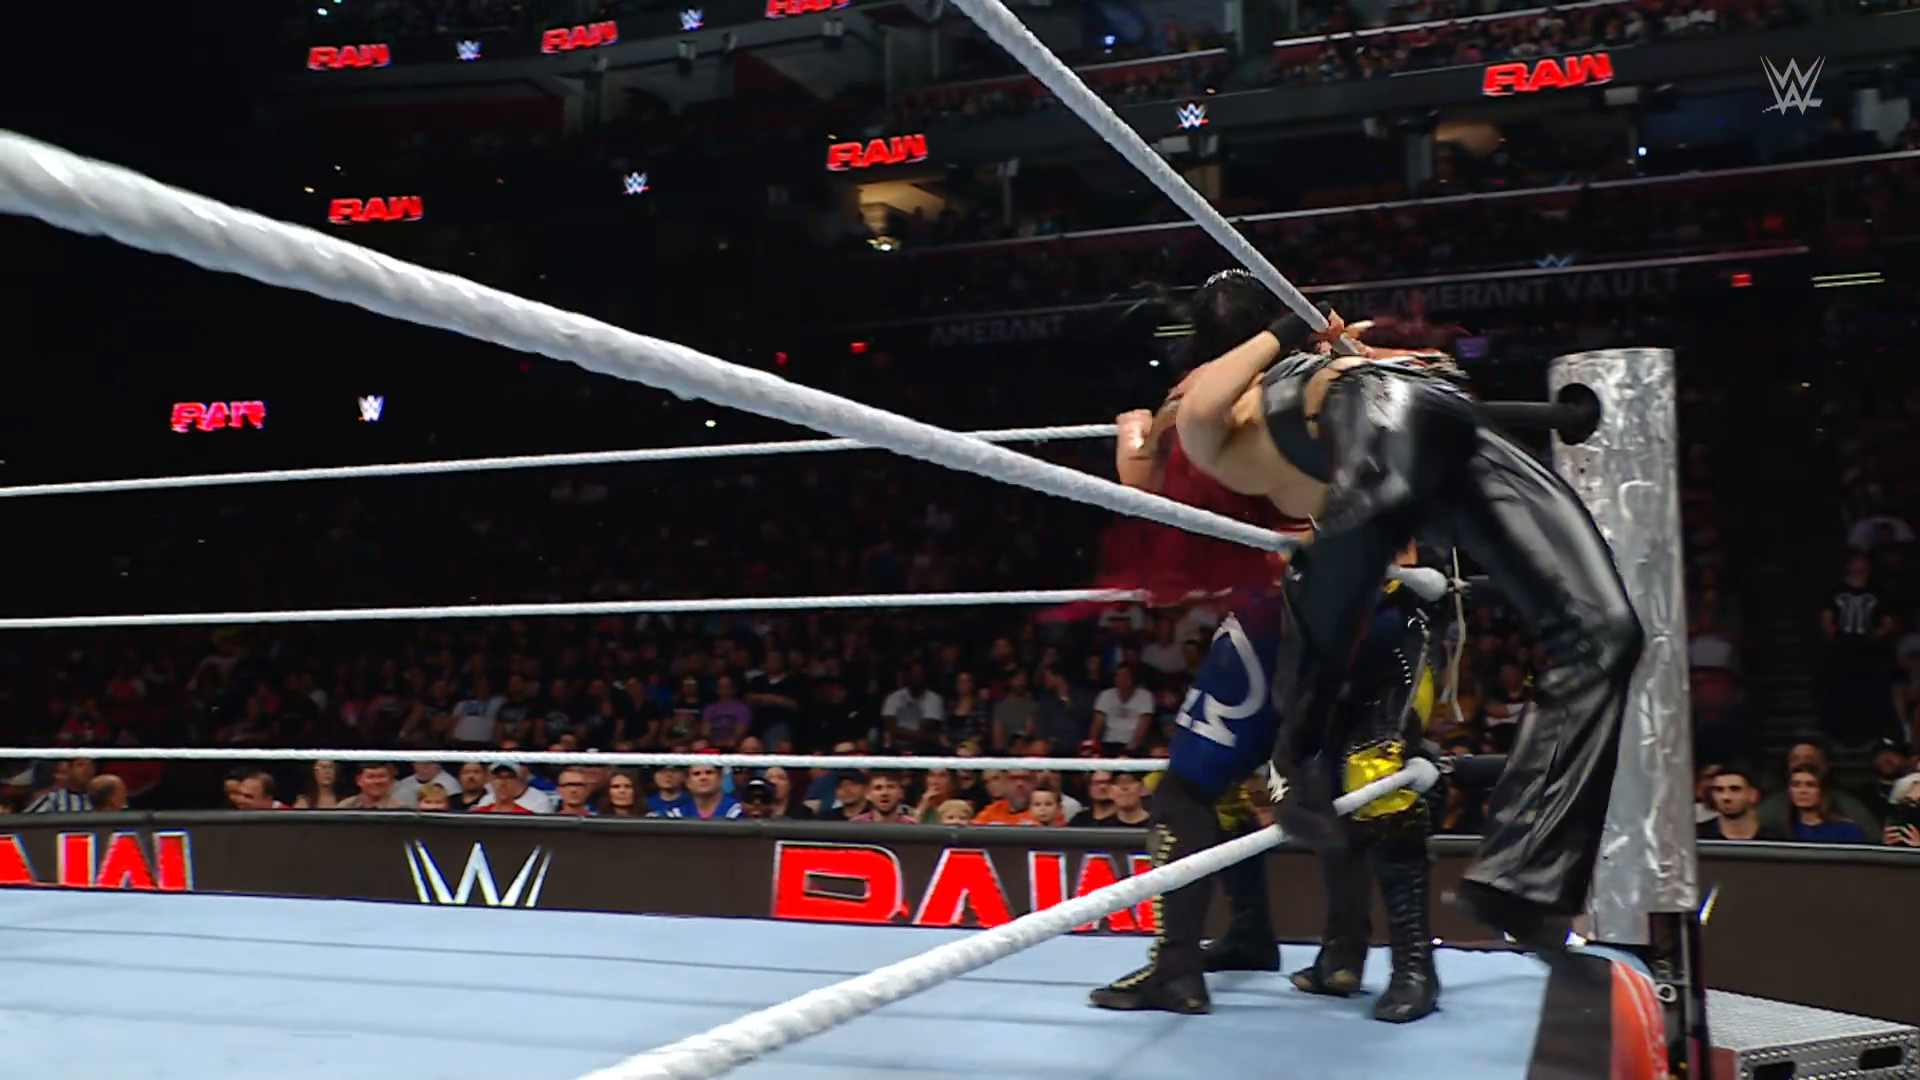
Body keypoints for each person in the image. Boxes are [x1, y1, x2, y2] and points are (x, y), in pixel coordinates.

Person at [1172, 269, 1643, 950]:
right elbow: (1202, 402)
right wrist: (1293, 329)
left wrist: (1316, 338)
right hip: (1397, 421)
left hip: (1428, 412)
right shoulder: (1211, 409)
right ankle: (1297, 765)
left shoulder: (1282, 385)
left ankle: (1524, 879)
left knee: (1606, 635)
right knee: (1346, 555)